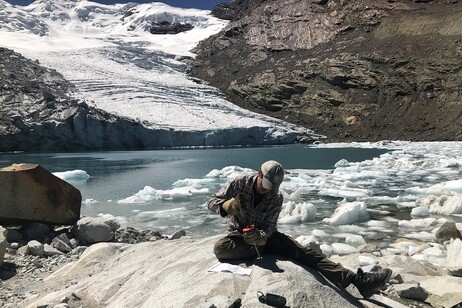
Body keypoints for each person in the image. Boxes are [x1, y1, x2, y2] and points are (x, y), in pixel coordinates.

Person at [206, 160, 392, 298]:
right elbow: (211, 201)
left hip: (266, 238)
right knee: (220, 249)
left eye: (273, 187)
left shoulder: (275, 197)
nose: (268, 191)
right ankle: (258, 249)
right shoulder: (240, 183)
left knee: (305, 253)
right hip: (238, 237)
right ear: (259, 175)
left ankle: (357, 281)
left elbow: (269, 228)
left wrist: (261, 238)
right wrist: (225, 206)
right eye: (266, 185)